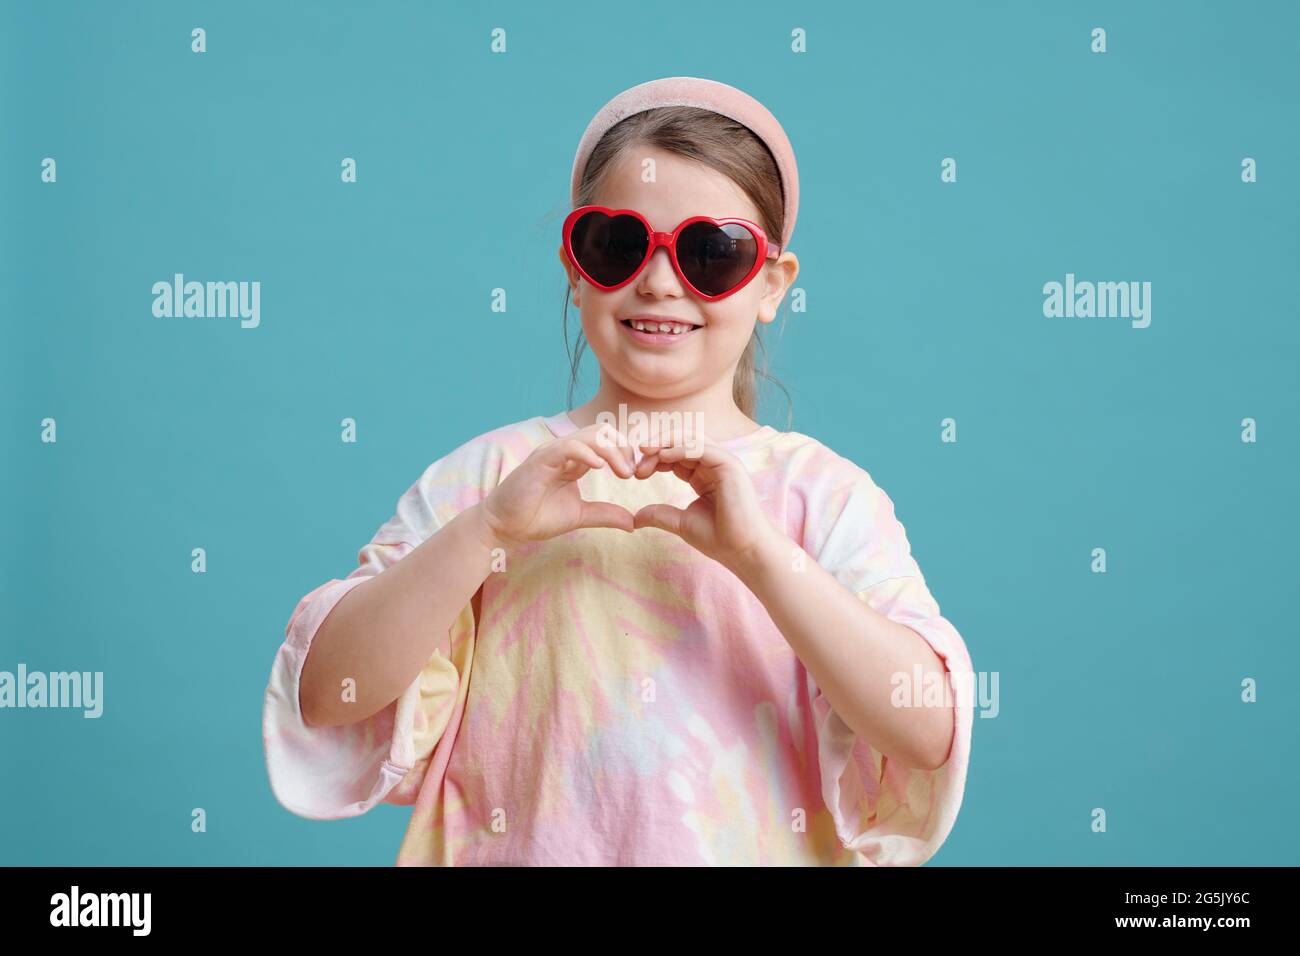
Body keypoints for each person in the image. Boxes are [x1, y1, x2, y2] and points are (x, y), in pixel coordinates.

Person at [262, 75, 974, 866]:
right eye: (619, 244)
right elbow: (331, 696)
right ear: (574, 265)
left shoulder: (822, 499)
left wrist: (763, 560)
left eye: (713, 252)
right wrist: (488, 530)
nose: (662, 280)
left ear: (772, 285)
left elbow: (927, 727)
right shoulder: (493, 479)